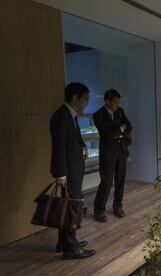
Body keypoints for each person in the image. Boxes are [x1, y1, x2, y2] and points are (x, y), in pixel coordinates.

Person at [50, 82, 96, 259]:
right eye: (85, 98)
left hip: (73, 169)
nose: (87, 102)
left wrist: (82, 147)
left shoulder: (71, 115)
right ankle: (71, 248)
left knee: (67, 207)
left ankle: (65, 242)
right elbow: (59, 147)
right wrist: (60, 174)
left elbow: (74, 139)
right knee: (71, 208)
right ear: (75, 98)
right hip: (68, 172)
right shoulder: (62, 116)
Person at [93, 89, 132, 222]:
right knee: (106, 181)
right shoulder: (98, 115)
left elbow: (129, 127)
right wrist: (120, 130)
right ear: (107, 101)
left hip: (121, 150)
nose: (117, 105)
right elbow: (107, 134)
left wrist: (119, 133)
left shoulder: (120, 111)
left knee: (120, 180)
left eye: (118, 102)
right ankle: (99, 210)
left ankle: (118, 207)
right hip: (107, 153)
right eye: (115, 102)